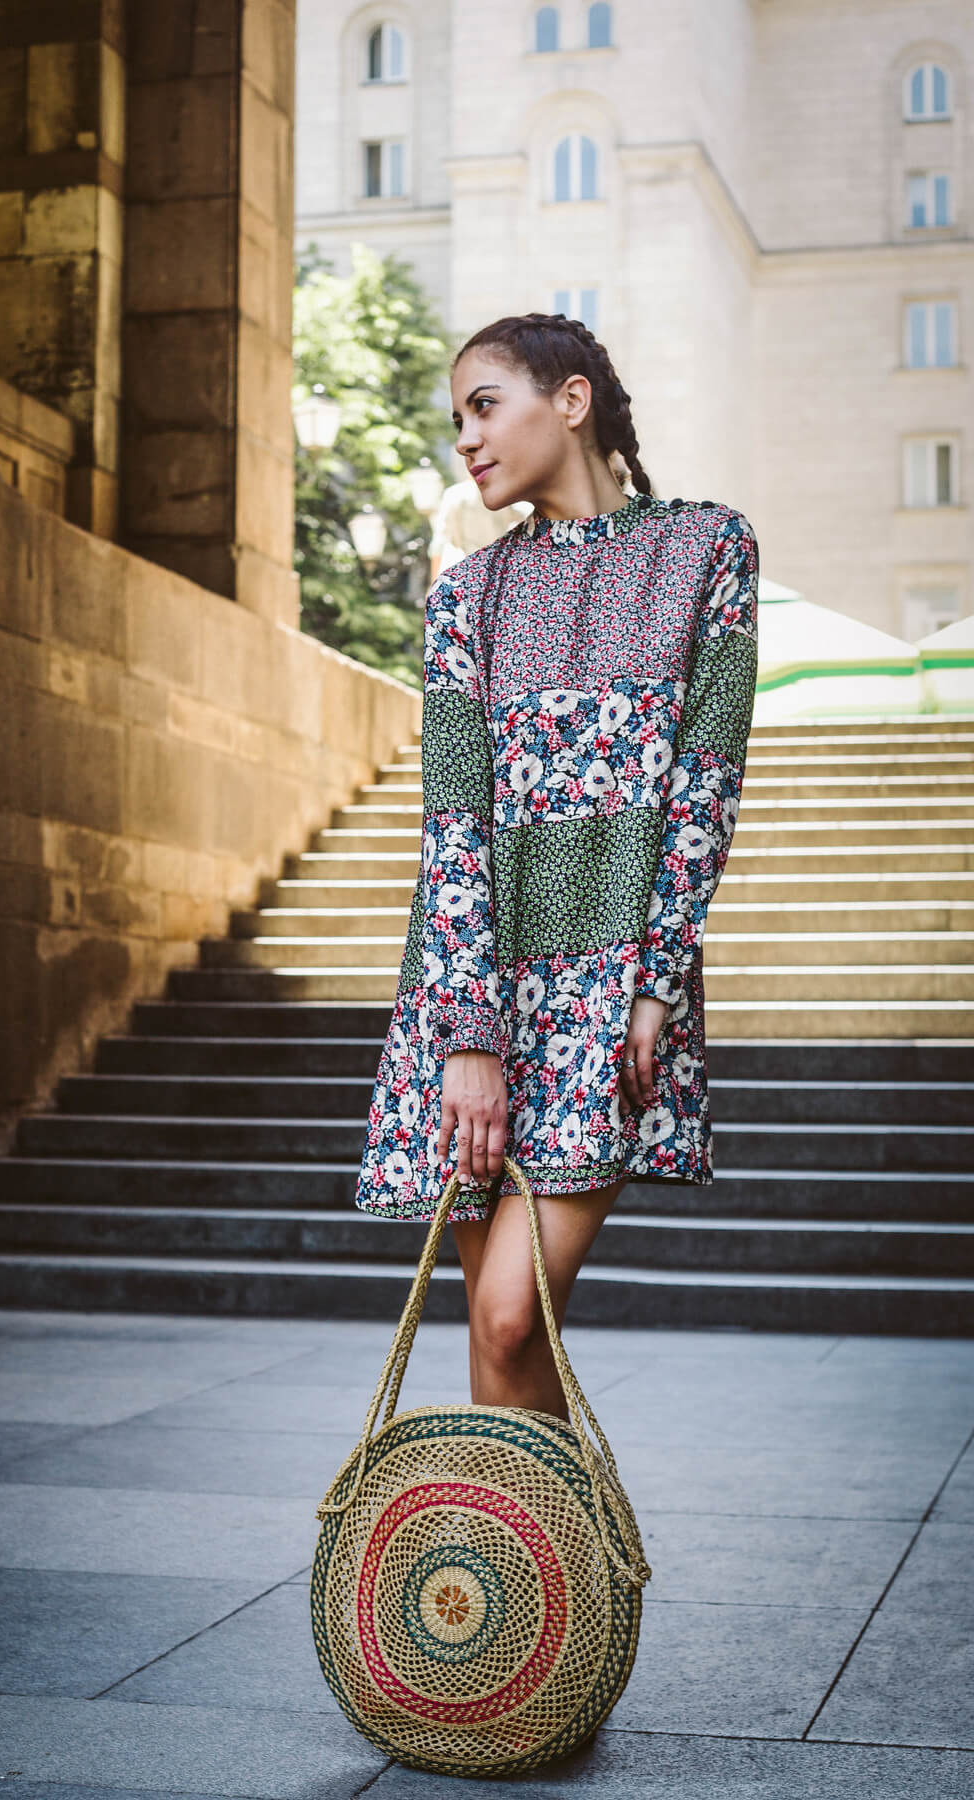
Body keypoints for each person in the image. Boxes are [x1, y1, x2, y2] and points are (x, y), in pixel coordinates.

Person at [352, 311, 760, 1423]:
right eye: (457, 422)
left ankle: (554, 1581)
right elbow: (453, 834)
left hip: (612, 989)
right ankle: (536, 1590)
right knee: (497, 1334)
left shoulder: (707, 551)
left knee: (510, 1316)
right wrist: (468, 1040)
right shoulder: (463, 601)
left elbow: (704, 788)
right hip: (479, 989)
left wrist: (656, 981)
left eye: (484, 407)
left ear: (569, 400)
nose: (466, 441)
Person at [428, 471, 532, 581]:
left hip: (462, 568)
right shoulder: (502, 495)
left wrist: (433, 581)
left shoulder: (454, 493)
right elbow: (527, 518)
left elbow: (439, 542)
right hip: (495, 570)